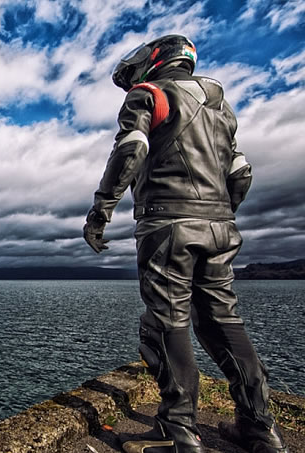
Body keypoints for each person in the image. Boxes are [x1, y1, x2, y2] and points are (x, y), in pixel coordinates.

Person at [83, 34, 289, 453]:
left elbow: (130, 149)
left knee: (164, 324)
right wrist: (218, 212)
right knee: (222, 322)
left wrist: (100, 211)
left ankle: (178, 434)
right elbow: (241, 173)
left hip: (168, 227)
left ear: (155, 59)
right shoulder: (220, 107)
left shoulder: (150, 93)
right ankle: (260, 428)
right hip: (219, 227)